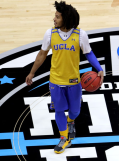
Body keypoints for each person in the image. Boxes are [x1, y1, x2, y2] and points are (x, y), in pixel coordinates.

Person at [25, 1, 104, 154]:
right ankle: (64, 138)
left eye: (57, 17)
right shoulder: (50, 33)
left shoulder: (81, 35)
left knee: (75, 111)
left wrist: (99, 69)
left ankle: (71, 122)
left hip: (74, 81)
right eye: (55, 16)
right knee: (59, 111)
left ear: (66, 19)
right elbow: (42, 54)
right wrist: (32, 72)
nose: (54, 19)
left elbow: (88, 53)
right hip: (55, 80)